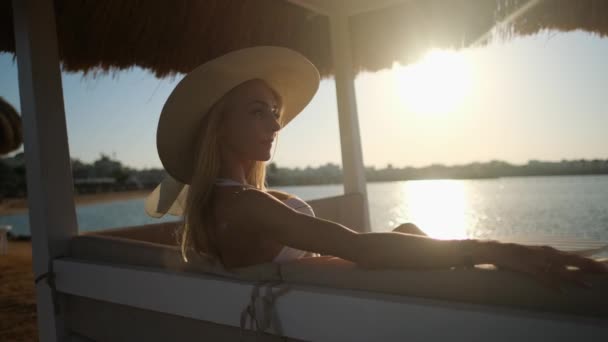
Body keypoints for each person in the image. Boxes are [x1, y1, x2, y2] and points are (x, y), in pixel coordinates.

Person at [145, 46, 607, 293]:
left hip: (331, 293)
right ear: (219, 127)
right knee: (458, 257)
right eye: (258, 111)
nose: (276, 122)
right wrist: (494, 248)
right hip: (344, 306)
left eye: (275, 110)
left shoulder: (226, 199)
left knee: (409, 229)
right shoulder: (243, 204)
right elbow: (359, 247)